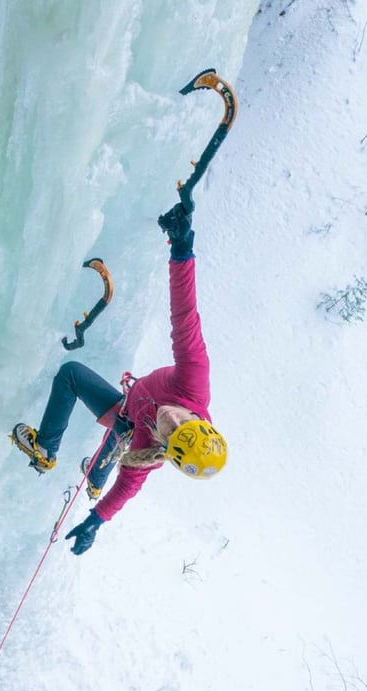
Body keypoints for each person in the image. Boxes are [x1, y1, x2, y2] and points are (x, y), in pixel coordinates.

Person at [12, 201, 227, 555]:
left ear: (168, 448)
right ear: (197, 418)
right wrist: (182, 251)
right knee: (105, 432)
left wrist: (96, 521)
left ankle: (46, 450)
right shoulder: (193, 380)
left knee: (81, 389)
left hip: (127, 418)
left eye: (172, 433)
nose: (171, 419)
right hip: (126, 412)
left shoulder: (152, 449)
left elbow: (128, 486)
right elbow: (185, 316)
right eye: (184, 422)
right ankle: (88, 475)